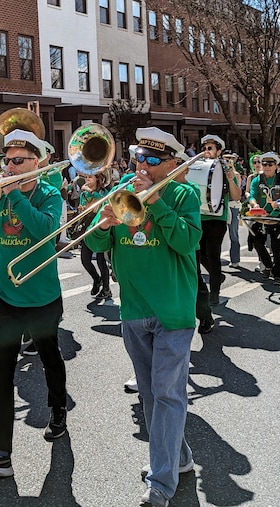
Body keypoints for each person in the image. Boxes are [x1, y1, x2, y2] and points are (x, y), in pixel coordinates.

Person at [86, 127, 201, 507]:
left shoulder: (184, 193)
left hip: (173, 311)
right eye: (139, 158)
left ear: (172, 164)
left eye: (152, 160)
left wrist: (156, 203)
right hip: (133, 309)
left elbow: (187, 241)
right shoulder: (121, 191)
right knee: (151, 394)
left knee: (167, 393)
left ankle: (161, 483)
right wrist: (104, 224)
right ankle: (178, 458)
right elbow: (95, 242)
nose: (143, 166)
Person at [0, 128, 67, 478]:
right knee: (0, 373)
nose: (10, 167)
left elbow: (44, 231)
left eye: (19, 161)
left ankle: (58, 410)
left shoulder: (50, 194)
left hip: (41, 298)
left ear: (37, 162)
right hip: (5, 298)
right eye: (8, 160)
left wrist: (15, 195)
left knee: (50, 358)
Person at [198, 135, 241, 306]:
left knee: (213, 254)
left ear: (219, 151)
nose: (206, 151)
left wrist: (230, 179)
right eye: (205, 148)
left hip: (218, 217)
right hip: (200, 215)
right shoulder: (199, 166)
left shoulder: (225, 168)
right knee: (200, 253)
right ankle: (218, 276)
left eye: (210, 148)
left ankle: (214, 292)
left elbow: (236, 196)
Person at [247, 152, 280, 285]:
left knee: (275, 245)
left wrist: (278, 203)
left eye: (270, 164)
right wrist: (254, 204)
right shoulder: (257, 179)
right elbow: (251, 195)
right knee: (256, 241)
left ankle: (277, 275)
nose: (267, 167)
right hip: (260, 215)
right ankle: (268, 265)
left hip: (276, 216)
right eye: (265, 164)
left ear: (276, 166)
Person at [78, 171, 112, 298]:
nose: (87, 180)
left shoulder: (103, 192)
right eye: (86, 177)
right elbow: (82, 207)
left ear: (97, 178)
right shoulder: (84, 193)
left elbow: (106, 201)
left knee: (101, 261)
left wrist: (91, 192)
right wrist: (82, 209)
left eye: (90, 177)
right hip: (87, 227)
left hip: (100, 227)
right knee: (85, 260)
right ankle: (97, 279)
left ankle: (107, 289)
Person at [223, 152, 243, 268]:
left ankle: (235, 259)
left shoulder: (236, 175)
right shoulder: (218, 174)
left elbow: (237, 192)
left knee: (233, 234)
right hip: (221, 206)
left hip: (233, 205)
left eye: (230, 160)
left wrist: (230, 178)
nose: (228, 162)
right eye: (226, 159)